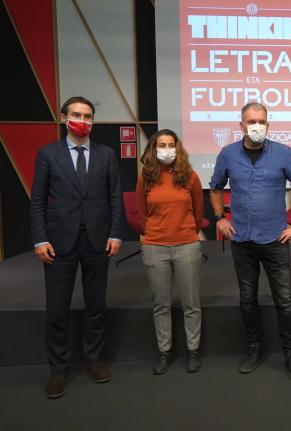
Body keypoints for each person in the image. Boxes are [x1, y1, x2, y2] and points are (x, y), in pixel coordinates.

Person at [209, 102, 291, 383]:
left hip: (275, 238)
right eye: (251, 121)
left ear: (268, 124)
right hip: (241, 239)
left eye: (262, 121)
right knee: (247, 299)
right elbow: (215, 186)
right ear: (241, 125)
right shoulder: (227, 154)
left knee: (285, 301)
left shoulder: (283, 153)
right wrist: (219, 218)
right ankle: (254, 349)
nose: (257, 126)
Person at [30, 96, 123, 399]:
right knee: (57, 309)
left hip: (98, 241)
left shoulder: (106, 155)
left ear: (93, 121)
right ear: (63, 118)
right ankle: (59, 370)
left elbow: (114, 199)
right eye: (77, 115)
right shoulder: (48, 155)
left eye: (88, 116)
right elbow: (38, 202)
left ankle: (93, 360)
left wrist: (115, 233)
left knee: (95, 305)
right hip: (58, 243)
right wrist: (40, 238)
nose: (82, 120)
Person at [136, 129, 204, 375]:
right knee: (161, 304)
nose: (166, 149)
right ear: (154, 149)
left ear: (178, 148)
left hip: (186, 244)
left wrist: (186, 232)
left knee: (191, 303)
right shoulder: (146, 177)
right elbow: (142, 213)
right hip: (155, 247)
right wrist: (153, 234)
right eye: (161, 145)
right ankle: (164, 352)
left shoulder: (190, 176)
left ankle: (193, 351)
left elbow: (198, 212)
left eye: (170, 144)